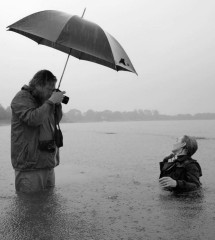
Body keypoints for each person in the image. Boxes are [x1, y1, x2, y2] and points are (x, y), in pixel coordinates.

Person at [11, 69, 66, 193]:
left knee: (48, 207)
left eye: (54, 89)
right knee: (29, 208)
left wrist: (57, 105)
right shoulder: (22, 97)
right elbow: (33, 119)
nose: (51, 92)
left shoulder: (45, 102)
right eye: (49, 89)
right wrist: (51, 101)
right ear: (38, 85)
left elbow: (56, 120)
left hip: (47, 162)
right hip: (29, 166)